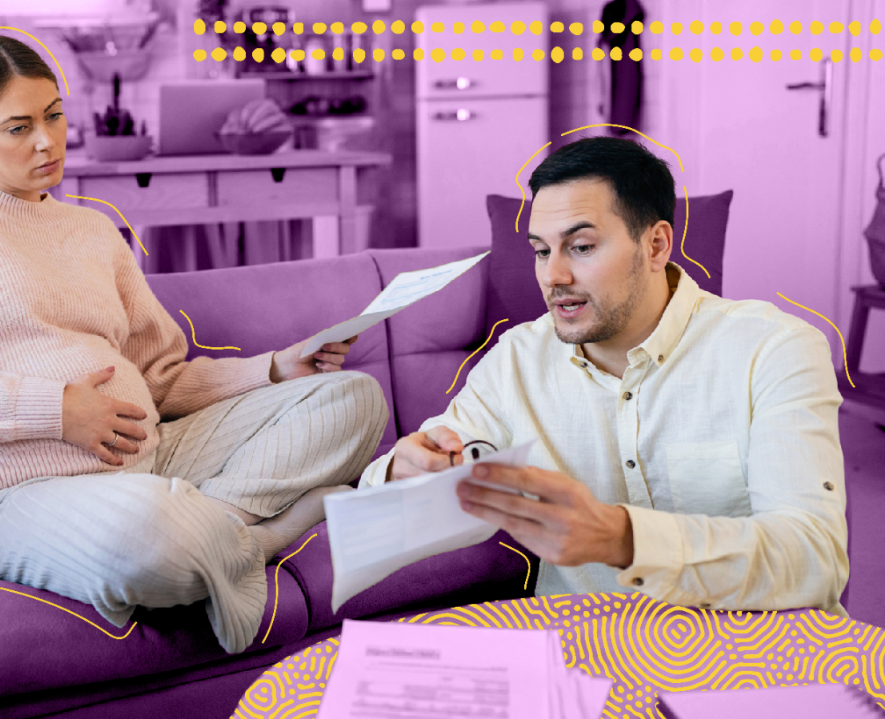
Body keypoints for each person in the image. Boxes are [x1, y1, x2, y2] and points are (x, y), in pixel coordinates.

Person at [0, 36, 389, 654]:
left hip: (155, 452)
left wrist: (274, 369)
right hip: (21, 490)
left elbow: (160, 376)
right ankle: (259, 537)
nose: (46, 141)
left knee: (354, 400)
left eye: (54, 115)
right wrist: (58, 412)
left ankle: (205, 524)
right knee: (144, 535)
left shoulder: (92, 229)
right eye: (18, 127)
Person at [361, 137, 849, 617]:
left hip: (752, 655)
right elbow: (401, 496)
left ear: (655, 245)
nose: (554, 276)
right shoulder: (517, 361)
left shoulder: (773, 350)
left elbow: (816, 557)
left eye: (581, 247)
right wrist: (400, 474)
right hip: (583, 658)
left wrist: (623, 538)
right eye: (540, 250)